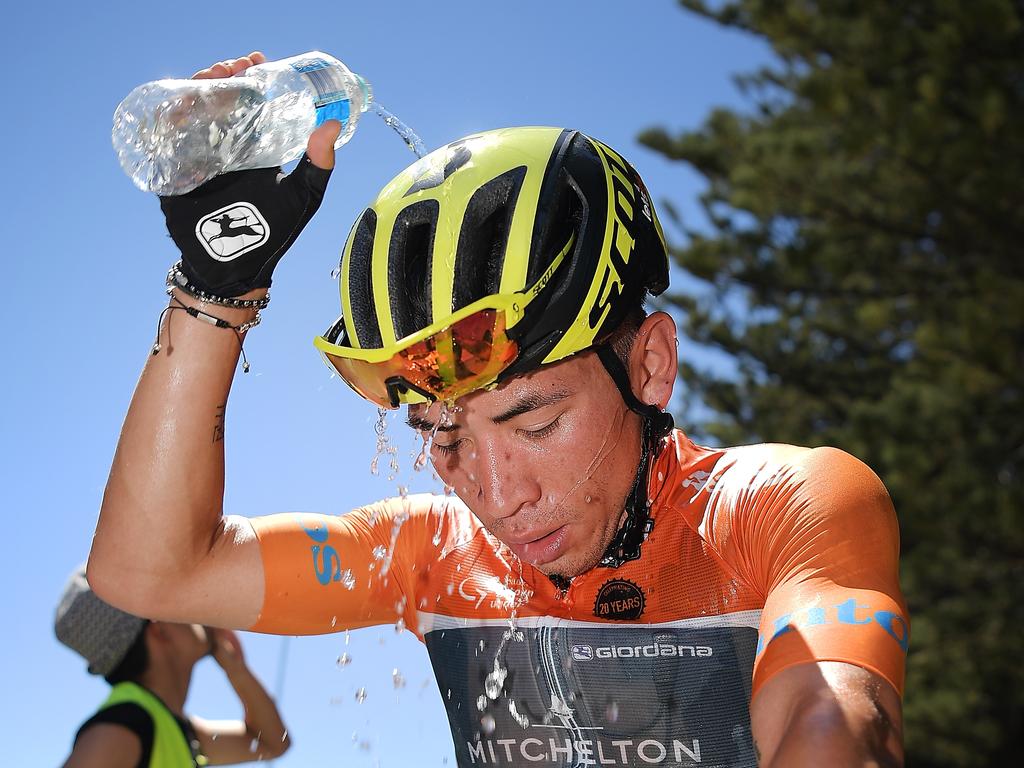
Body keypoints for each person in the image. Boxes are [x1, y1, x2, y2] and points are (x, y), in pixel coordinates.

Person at [89, 52, 909, 767]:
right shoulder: (435, 554)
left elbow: (830, 731)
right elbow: (150, 573)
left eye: (534, 422)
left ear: (650, 365)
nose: (496, 494)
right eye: (440, 435)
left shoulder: (776, 508)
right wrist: (217, 290)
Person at [55, 565, 290, 767]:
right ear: (159, 627)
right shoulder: (123, 728)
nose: (192, 609)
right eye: (177, 602)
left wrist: (236, 668)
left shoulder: (173, 729)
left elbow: (272, 743)